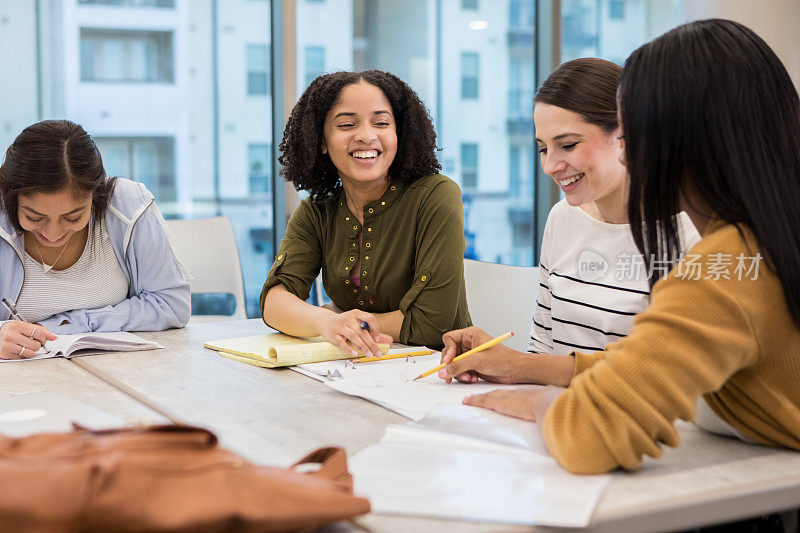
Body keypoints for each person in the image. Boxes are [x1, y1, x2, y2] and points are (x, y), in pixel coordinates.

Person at [437, 19, 800, 474]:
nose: (629, 154)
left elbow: (589, 436)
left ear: (684, 139)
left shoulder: (725, 265)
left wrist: (539, 405)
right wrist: (527, 370)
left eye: (634, 134)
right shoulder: (768, 237)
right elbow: (649, 366)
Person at [261, 70, 470, 355]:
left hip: (437, 373)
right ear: (321, 141)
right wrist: (326, 321)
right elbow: (275, 302)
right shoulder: (316, 210)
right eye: (347, 125)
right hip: (353, 370)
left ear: (400, 134)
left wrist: (345, 322)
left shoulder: (436, 195)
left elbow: (431, 323)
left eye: (381, 122)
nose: (366, 136)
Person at [529, 58, 698, 355]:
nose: (550, 166)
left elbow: (664, 372)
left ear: (625, 135)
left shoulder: (690, 235)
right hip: (556, 402)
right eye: (543, 149)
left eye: (568, 145)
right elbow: (542, 347)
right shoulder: (562, 218)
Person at [0, 120, 190, 360]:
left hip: (122, 373)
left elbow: (171, 306)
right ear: (10, 197)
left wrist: (68, 324)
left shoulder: (127, 204)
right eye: (34, 217)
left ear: (95, 195)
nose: (53, 234)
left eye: (73, 217)